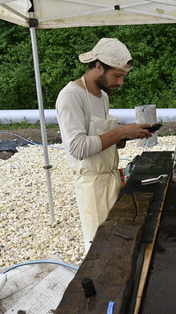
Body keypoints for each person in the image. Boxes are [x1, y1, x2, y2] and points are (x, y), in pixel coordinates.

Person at [56, 38, 153, 253]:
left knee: (118, 242)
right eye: (117, 76)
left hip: (111, 179)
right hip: (93, 187)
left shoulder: (103, 97)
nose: (120, 83)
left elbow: (101, 140)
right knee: (101, 250)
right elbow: (78, 148)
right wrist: (120, 131)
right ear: (98, 66)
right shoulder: (71, 96)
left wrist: (124, 138)